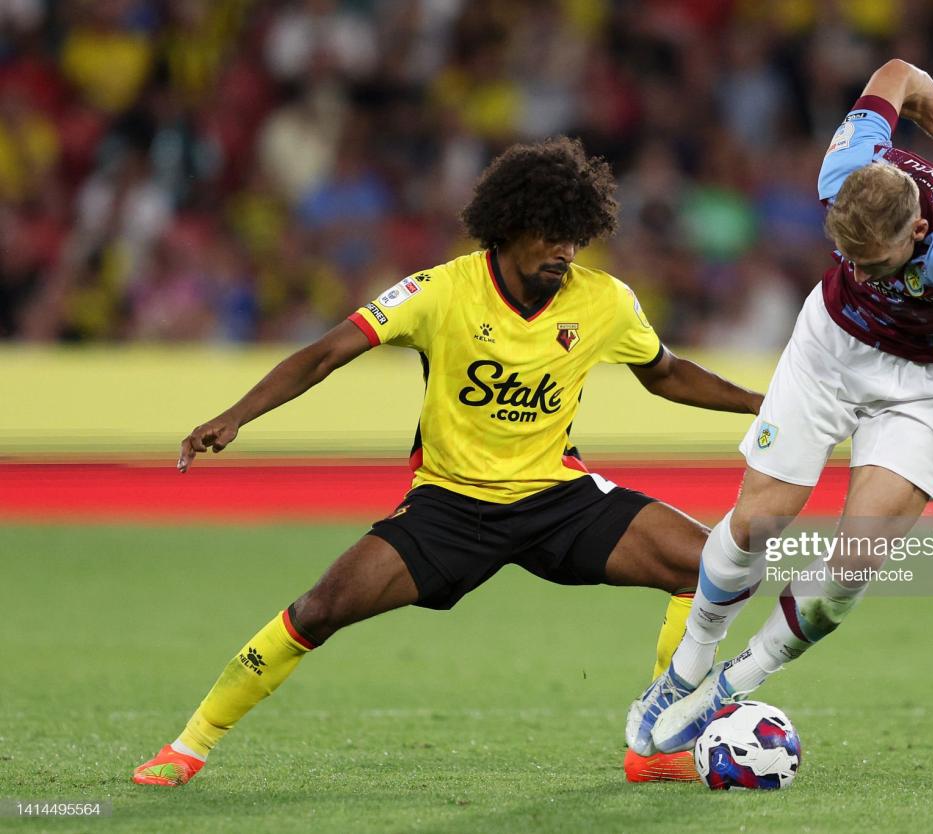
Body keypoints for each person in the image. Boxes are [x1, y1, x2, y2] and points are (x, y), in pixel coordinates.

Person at [131, 137, 763, 787]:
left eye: (576, 236)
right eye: (552, 234)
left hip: (557, 497)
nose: (565, 252)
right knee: (321, 608)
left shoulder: (603, 301)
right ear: (510, 225)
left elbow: (665, 373)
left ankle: (656, 746)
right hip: (451, 506)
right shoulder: (440, 292)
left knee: (712, 566)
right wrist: (235, 415)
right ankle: (189, 746)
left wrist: (755, 403)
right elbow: (325, 353)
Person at [627, 59, 933, 755]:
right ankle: (688, 665)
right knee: (759, 521)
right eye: (848, 255)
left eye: (874, 264)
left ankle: (733, 684)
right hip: (830, 349)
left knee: (855, 562)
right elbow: (898, 71)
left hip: (929, 382)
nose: (862, 272)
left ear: (917, 236)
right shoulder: (845, 166)